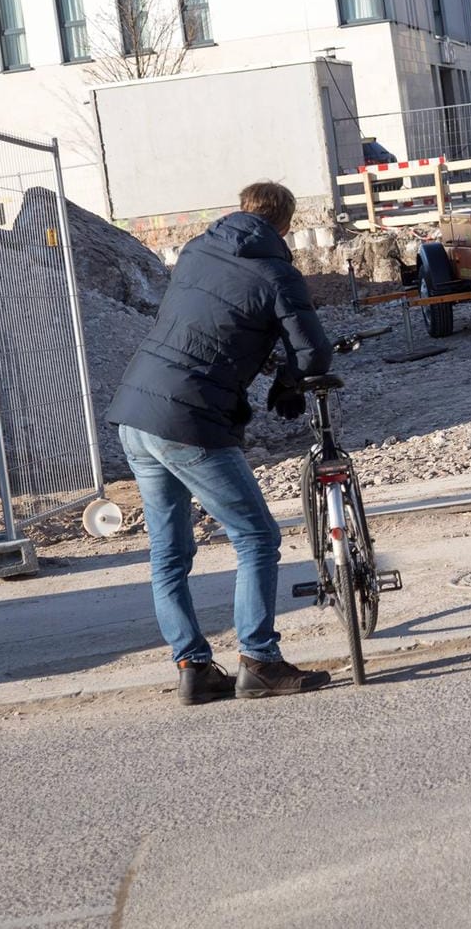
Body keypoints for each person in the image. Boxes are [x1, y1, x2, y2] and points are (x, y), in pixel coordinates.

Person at [106, 181, 335, 706]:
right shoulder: (278, 273)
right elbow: (314, 352)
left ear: (240, 211)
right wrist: (290, 385)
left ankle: (193, 668)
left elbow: (212, 318)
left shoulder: (195, 250)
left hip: (136, 414)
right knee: (256, 537)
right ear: (286, 225)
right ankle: (259, 660)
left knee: (169, 552)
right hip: (191, 421)